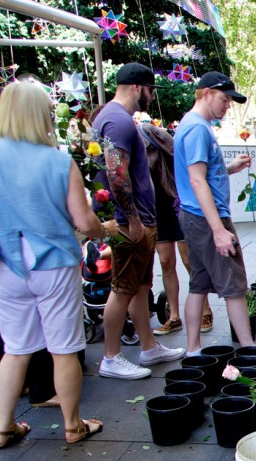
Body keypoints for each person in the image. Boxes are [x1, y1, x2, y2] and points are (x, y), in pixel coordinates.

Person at [0, 78, 104, 447]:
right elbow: (83, 222)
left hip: (5, 262)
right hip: (52, 262)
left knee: (15, 347)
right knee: (63, 348)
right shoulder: (59, 161)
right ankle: (73, 424)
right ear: (41, 116)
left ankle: (3, 427)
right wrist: (99, 226)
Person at [93, 63, 184, 379]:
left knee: (140, 286)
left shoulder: (115, 118)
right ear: (137, 87)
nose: (150, 96)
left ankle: (149, 347)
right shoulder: (117, 121)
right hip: (129, 222)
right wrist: (130, 219)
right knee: (122, 289)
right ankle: (111, 356)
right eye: (150, 90)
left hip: (140, 219)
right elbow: (116, 172)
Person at [173, 71, 255, 355]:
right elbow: (196, 180)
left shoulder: (193, 124)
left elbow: (201, 174)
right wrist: (219, 230)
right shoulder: (197, 129)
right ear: (205, 93)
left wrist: (229, 168)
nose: (227, 106)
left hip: (194, 217)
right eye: (224, 98)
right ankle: (249, 350)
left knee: (198, 284)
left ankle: (193, 350)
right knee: (234, 286)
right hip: (208, 219)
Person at [138, 119, 213, 336]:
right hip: (155, 209)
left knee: (189, 259)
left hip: (176, 202)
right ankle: (174, 316)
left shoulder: (160, 144)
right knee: (165, 261)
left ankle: (205, 310)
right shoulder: (133, 150)